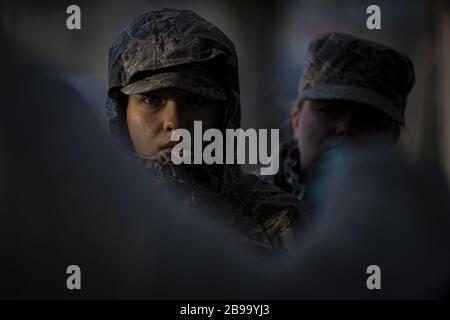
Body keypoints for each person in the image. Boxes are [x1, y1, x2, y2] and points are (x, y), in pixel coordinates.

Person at [106, 9, 309, 254]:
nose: (175, 122)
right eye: (152, 100)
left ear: (225, 112)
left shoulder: (281, 222)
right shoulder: (90, 218)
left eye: (197, 101)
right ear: (121, 110)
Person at [269, 32, 415, 210]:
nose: (345, 128)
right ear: (297, 120)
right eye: (328, 111)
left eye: (367, 119)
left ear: (393, 137)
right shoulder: (242, 207)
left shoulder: (415, 217)